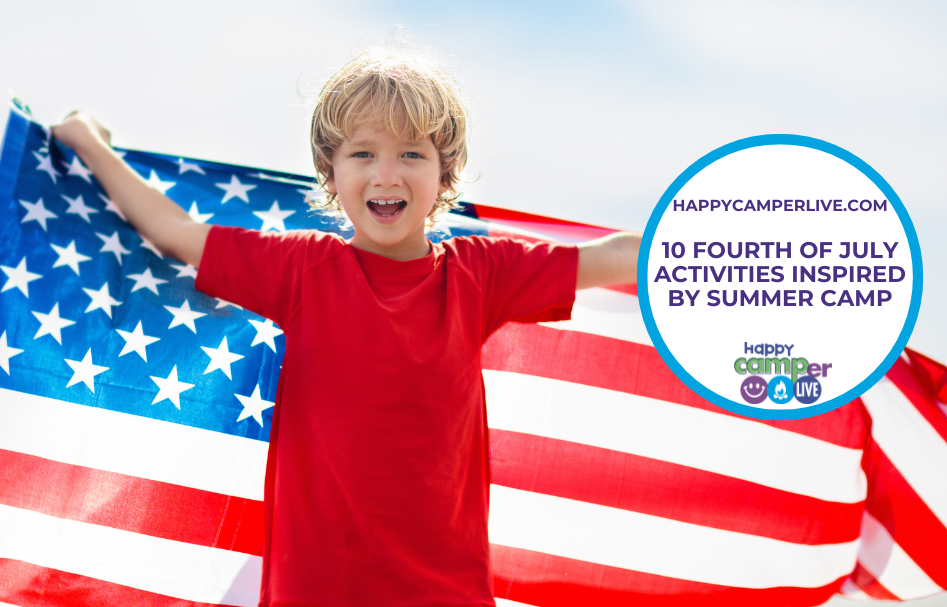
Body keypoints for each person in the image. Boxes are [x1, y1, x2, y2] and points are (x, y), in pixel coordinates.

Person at [52, 48, 640, 607]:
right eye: (362, 154)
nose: (387, 174)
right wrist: (90, 146)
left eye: (412, 154)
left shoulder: (479, 275)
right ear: (330, 173)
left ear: (446, 175)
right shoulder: (304, 269)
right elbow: (176, 232)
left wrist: (711, 245)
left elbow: (613, 257)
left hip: (445, 594)